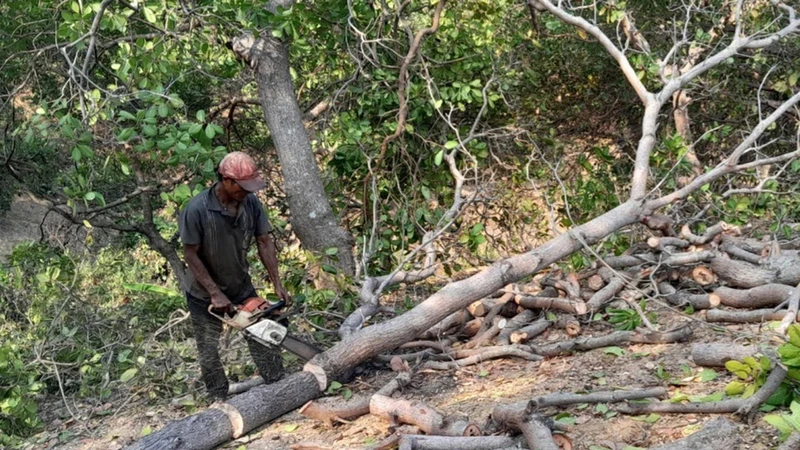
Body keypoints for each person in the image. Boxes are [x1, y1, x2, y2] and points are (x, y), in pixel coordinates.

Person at [178, 151, 292, 401]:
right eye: (242, 187)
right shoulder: (197, 209)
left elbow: (264, 241)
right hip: (203, 291)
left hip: (239, 284)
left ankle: (276, 383)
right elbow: (191, 254)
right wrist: (215, 293)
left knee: (263, 329)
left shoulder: (251, 204)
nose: (246, 193)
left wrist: (277, 283)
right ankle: (218, 398)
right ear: (226, 180)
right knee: (209, 347)